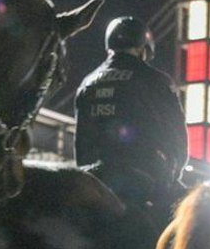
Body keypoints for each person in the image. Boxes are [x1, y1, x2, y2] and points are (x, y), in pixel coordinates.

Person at [74, 15, 189, 210]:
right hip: (143, 177)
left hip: (94, 178)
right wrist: (170, 177)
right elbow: (177, 139)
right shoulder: (156, 80)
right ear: (143, 49)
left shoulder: (87, 83)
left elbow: (80, 143)